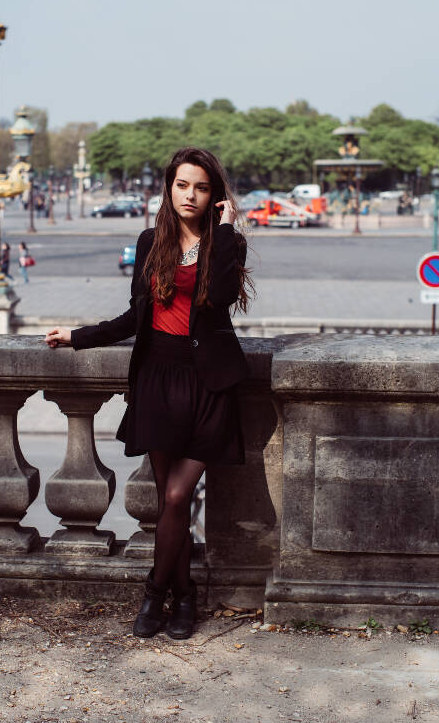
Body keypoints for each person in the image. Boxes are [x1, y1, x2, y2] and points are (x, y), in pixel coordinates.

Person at [45, 147, 253, 640]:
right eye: (183, 185)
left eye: (202, 188)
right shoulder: (149, 242)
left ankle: (153, 592)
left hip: (207, 384)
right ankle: (185, 600)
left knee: (180, 494)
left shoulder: (227, 244)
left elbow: (222, 297)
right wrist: (77, 336)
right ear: (169, 187)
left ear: (214, 196)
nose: (191, 195)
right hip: (157, 379)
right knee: (169, 504)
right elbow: (133, 317)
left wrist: (224, 230)